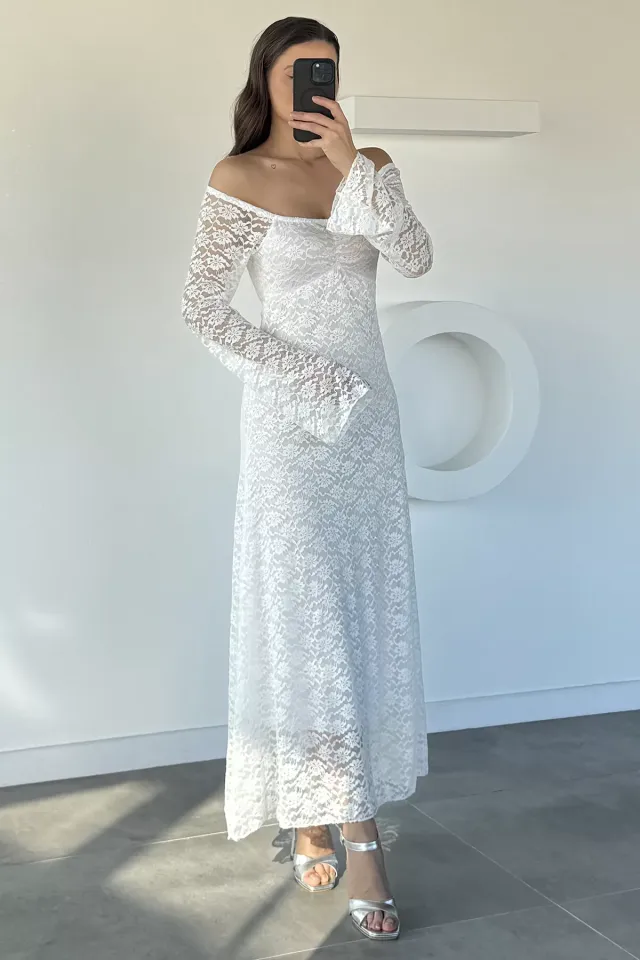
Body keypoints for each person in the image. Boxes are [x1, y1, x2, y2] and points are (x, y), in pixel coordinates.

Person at [181, 15, 432, 942]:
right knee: (305, 615)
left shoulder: (368, 166)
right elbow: (204, 310)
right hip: (290, 424)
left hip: (369, 430)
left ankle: (317, 811)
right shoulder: (238, 176)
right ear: (267, 80)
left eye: (326, 70)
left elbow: (415, 257)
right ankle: (353, 835)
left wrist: (354, 163)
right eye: (298, 72)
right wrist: (312, 379)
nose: (312, 85)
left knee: (357, 613)